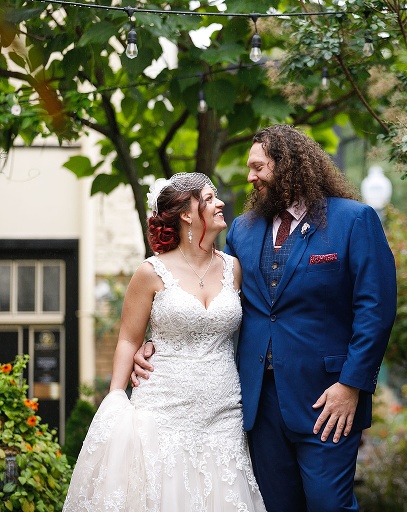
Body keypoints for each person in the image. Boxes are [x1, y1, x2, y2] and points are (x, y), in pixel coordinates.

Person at [135, 125, 398, 511]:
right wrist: (161, 336)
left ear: (288, 164)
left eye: (258, 167)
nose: (250, 177)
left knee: (329, 505)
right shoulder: (243, 229)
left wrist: (352, 385)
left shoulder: (354, 220)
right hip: (257, 402)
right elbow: (219, 299)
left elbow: (376, 309)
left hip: (327, 399)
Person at [64, 173, 267, 512]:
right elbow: (129, 339)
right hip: (163, 409)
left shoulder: (234, 268)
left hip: (224, 411)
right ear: (186, 213)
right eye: (209, 198)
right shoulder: (150, 272)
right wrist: (116, 397)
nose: (220, 203)